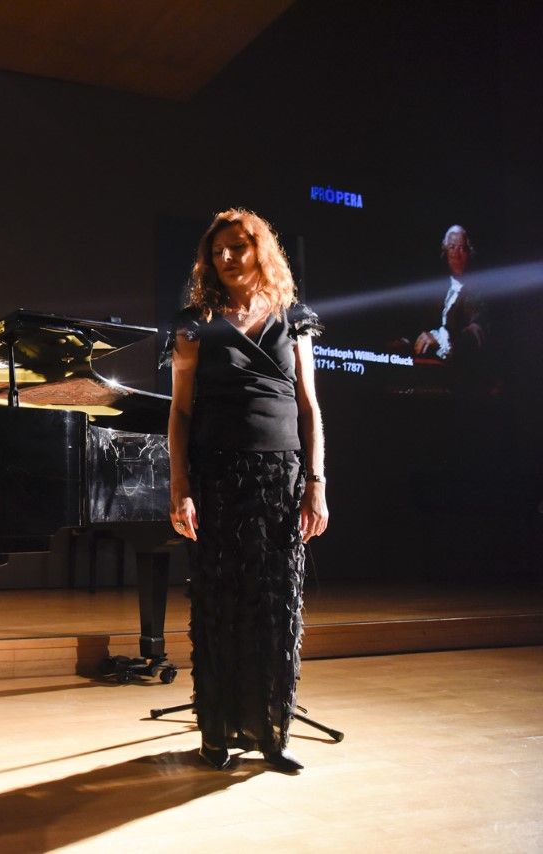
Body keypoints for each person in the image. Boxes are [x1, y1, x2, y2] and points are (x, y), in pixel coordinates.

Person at [162, 209, 329, 773]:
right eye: (218, 251)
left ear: (261, 250)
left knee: (275, 608)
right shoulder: (195, 323)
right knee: (218, 605)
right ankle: (215, 733)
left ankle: (271, 733)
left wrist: (316, 483)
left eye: (238, 247)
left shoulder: (294, 319)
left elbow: (309, 406)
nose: (227, 258)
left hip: (280, 478)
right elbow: (180, 412)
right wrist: (180, 486)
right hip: (216, 478)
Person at [413, 225, 484, 361]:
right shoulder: (438, 287)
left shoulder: (479, 289)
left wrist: (441, 340)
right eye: (452, 247)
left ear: (469, 253)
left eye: (462, 248)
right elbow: (422, 322)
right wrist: (407, 341)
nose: (457, 254)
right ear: (445, 252)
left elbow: (477, 332)